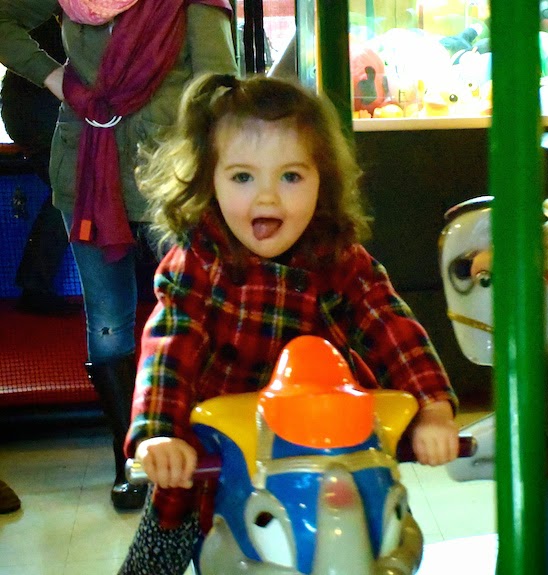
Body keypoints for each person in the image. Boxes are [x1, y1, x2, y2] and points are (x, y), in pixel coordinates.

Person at [118, 73, 460, 574]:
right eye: (242, 177)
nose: (267, 199)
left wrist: (432, 408)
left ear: (323, 181)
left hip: (321, 449)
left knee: (381, 531)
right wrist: (160, 433)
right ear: (209, 181)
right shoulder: (198, 261)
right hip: (217, 452)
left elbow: (388, 323)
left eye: (291, 177)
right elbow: (171, 343)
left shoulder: (338, 258)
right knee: (160, 544)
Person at [0, 0, 238, 511]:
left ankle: (194, 446)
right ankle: (129, 457)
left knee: (194, 315)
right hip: (86, 170)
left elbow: (218, 90)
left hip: (172, 180)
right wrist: (56, 79)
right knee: (108, 325)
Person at [0, 15, 76, 315]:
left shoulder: (46, 18)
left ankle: (35, 283)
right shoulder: (66, 19)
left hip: (29, 114)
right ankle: (35, 284)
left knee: (71, 188)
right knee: (71, 189)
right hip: (41, 116)